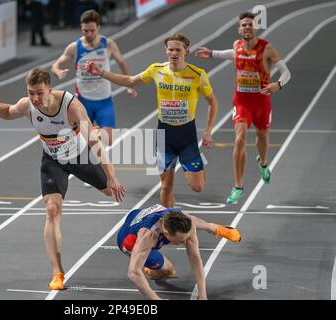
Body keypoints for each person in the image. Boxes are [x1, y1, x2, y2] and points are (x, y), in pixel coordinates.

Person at [0, 67, 125, 290]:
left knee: (112, 192)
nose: (35, 98)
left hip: (80, 157)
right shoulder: (27, 105)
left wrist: (112, 176)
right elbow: (7, 112)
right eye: (31, 93)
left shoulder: (71, 106)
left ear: (50, 88)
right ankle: (57, 273)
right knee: (52, 210)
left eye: (40, 93)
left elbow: (95, 146)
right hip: (53, 161)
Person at [86, 33, 219, 208]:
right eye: (170, 49)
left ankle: (199, 168)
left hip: (187, 137)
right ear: (166, 50)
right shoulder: (156, 70)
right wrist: (101, 72)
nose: (174, 53)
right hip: (165, 137)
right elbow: (130, 80)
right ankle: (167, 224)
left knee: (198, 187)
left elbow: (213, 102)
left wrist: (208, 131)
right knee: (166, 187)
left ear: (186, 51)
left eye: (178, 49)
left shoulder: (198, 75)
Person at [195, 11, 291, 204]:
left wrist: (277, 85)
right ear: (239, 29)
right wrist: (212, 54)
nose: (247, 27)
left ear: (256, 27)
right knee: (239, 139)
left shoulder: (267, 49)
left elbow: (286, 72)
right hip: (241, 102)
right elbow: (233, 54)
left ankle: (263, 163)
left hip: (262, 102)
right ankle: (238, 186)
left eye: (250, 24)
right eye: (244, 25)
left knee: (262, 137)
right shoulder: (237, 46)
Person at [117, 204, 241, 300]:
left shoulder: (186, 221)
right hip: (128, 240)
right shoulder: (147, 236)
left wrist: (203, 295)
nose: (184, 242)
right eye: (181, 240)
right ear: (166, 233)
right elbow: (133, 273)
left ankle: (214, 228)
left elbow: (195, 258)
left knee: (190, 219)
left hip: (146, 216)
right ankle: (151, 268)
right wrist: (156, 298)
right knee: (168, 270)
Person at [52, 9, 137, 146]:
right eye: (86, 30)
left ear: (98, 27)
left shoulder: (108, 44)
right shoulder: (75, 47)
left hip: (104, 101)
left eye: (92, 30)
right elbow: (56, 64)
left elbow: (122, 62)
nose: (89, 34)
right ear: (81, 28)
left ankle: (93, 133)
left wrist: (128, 84)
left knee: (108, 140)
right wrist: (57, 71)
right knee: (82, 144)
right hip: (83, 102)